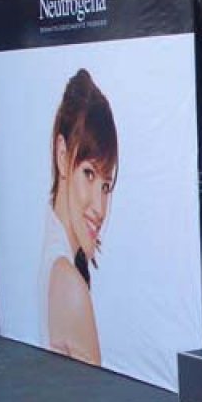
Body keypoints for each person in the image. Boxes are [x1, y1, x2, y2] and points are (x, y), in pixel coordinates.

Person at [40, 69, 117, 365]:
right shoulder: (69, 283)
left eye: (106, 186)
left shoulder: (52, 253)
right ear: (62, 155)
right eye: (89, 173)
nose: (99, 207)